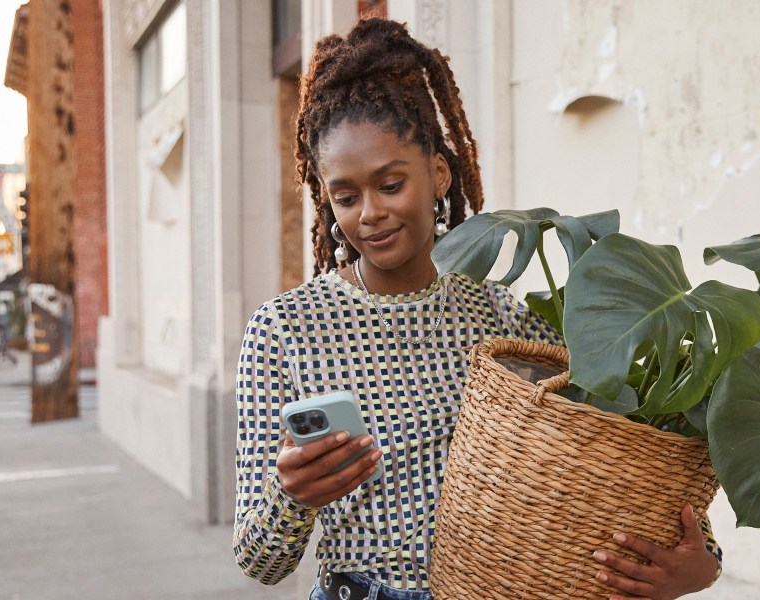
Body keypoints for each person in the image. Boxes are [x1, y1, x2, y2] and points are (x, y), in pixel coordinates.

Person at [234, 18, 722, 600]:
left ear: (439, 173)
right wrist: (293, 496)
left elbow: (608, 453)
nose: (369, 213)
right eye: (345, 196)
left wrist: (702, 561)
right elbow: (258, 561)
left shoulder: (503, 320)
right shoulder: (285, 329)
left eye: (391, 184)